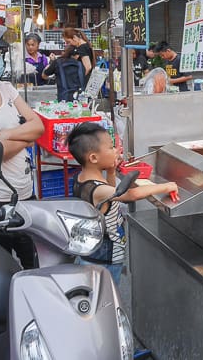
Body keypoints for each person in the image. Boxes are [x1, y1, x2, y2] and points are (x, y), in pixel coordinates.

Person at [67, 122, 178, 285]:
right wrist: (166, 186)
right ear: (93, 157)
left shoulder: (82, 178)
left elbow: (112, 195)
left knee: (94, 295)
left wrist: (111, 171)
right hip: (105, 257)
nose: (116, 151)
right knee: (107, 297)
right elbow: (130, 194)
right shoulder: (97, 189)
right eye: (111, 147)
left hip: (92, 253)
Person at [0, 23, 44, 269]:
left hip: (25, 195)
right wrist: (26, 138)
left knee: (35, 265)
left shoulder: (6, 88)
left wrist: (8, 133)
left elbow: (38, 126)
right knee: (2, 272)